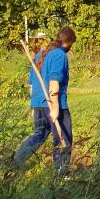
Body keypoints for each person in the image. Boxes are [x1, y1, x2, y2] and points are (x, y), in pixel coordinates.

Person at [12, 26, 76, 175]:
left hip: (38, 104)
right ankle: (61, 174)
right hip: (53, 104)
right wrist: (55, 108)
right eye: (72, 44)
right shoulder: (59, 55)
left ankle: (14, 163)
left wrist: (33, 107)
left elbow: (32, 83)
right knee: (63, 139)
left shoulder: (40, 54)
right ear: (69, 42)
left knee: (38, 135)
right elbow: (54, 82)